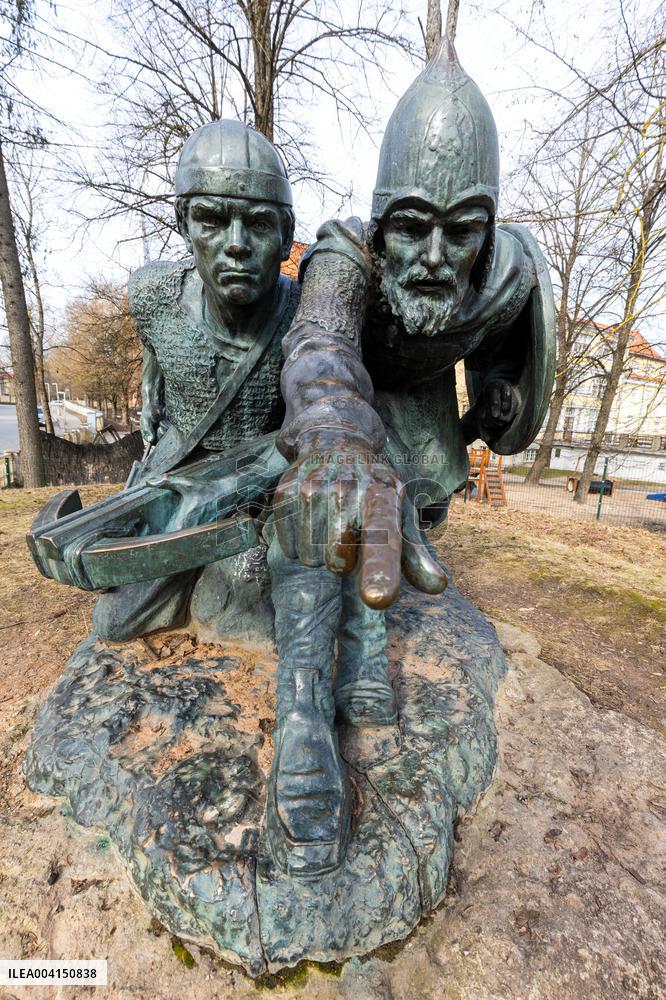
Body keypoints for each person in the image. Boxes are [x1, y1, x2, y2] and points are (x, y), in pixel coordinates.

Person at [264, 39, 556, 875]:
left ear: (487, 229)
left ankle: (365, 643)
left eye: (460, 231)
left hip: (424, 425)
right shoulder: (341, 257)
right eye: (411, 228)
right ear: (379, 218)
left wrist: (498, 402)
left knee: (406, 529)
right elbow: (319, 343)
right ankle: (304, 705)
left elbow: (516, 357)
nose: (434, 257)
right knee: (328, 516)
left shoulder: (509, 275)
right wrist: (332, 436)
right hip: (350, 409)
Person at [92, 119, 300, 642]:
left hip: (262, 484)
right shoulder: (153, 295)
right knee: (116, 621)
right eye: (211, 219)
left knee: (246, 617)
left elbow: (315, 422)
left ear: (285, 235)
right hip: (180, 475)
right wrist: (150, 394)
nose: (236, 245)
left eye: (257, 224)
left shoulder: (305, 314)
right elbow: (154, 359)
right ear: (184, 223)